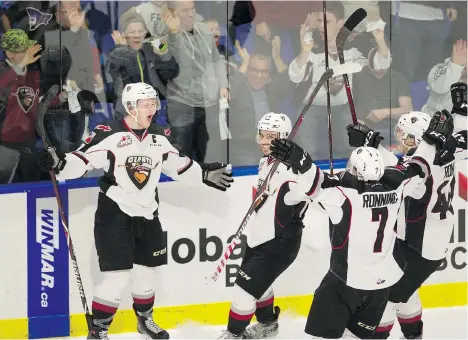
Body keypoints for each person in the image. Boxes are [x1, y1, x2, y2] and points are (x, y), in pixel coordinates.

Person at [37, 82, 234, 340]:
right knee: (117, 277)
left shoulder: (159, 135)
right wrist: (60, 163)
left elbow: (178, 165)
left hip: (148, 213)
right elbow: (82, 161)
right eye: (145, 104)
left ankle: (144, 320)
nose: (152, 108)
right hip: (114, 213)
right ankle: (99, 329)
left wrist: (204, 173)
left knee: (146, 273)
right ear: (131, 107)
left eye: (154, 103)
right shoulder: (108, 133)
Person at [269, 110, 455, 339]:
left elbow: (315, 184)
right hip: (380, 285)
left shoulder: (344, 194)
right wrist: (431, 140)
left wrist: (301, 160)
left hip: (347, 281)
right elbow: (418, 167)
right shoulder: (396, 187)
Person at [346, 91, 467, 340]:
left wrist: (370, 143)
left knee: (388, 296)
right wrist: (461, 111)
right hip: (430, 243)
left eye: (404, 136)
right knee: (405, 292)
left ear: (416, 140)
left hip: (417, 246)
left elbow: (396, 174)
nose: (400, 140)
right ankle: (414, 335)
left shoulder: (420, 165)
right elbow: (462, 137)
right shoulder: (449, 150)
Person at [217, 112, 309, 339]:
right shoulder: (265, 162)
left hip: (280, 242)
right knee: (259, 283)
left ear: (285, 138)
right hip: (260, 236)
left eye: (272, 136)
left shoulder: (293, 172)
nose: (266, 141)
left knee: (243, 290)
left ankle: (233, 334)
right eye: (262, 135)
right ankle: (268, 325)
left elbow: (313, 191)